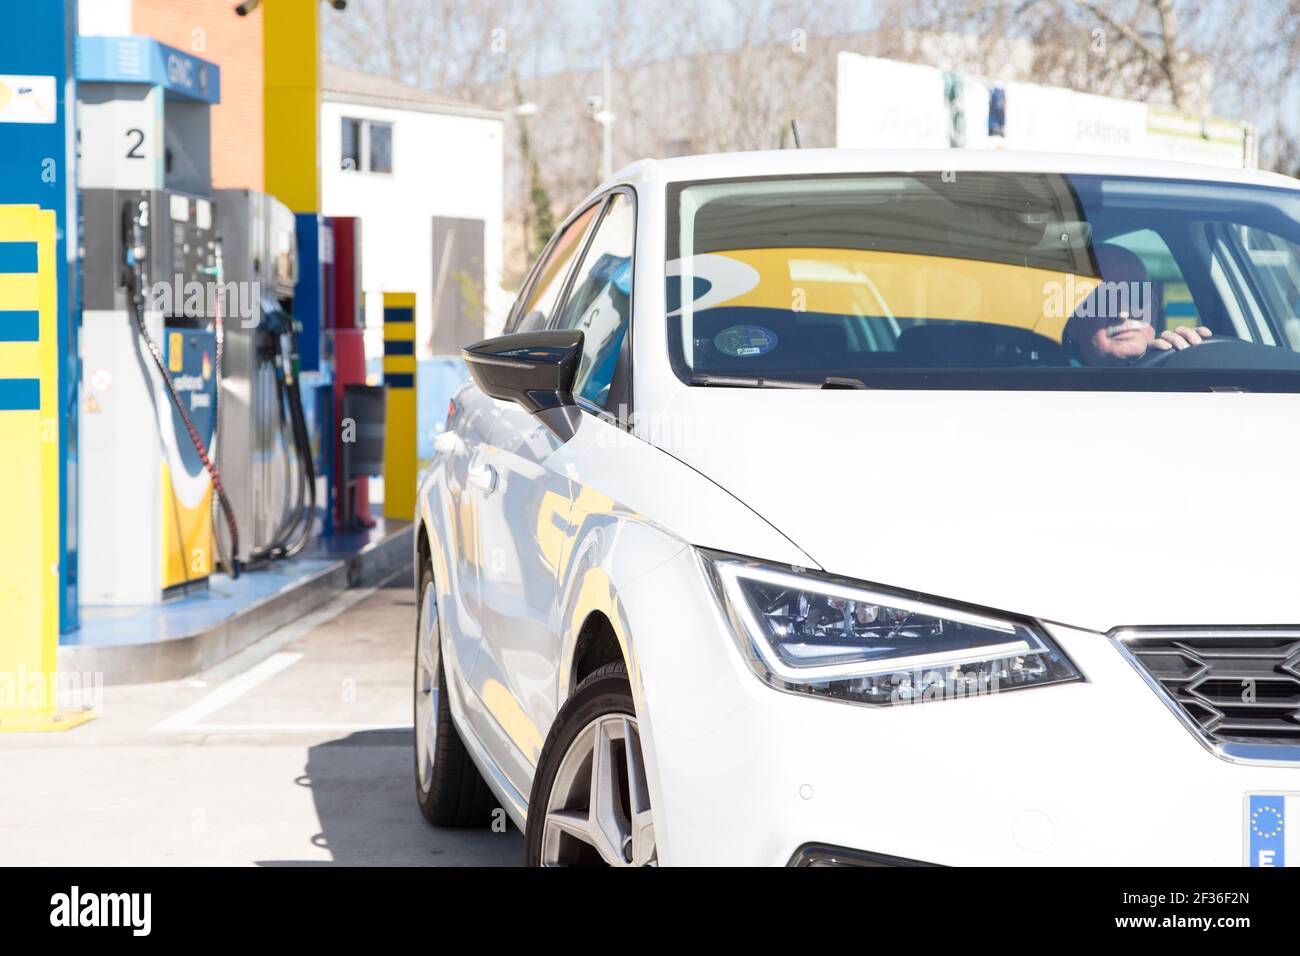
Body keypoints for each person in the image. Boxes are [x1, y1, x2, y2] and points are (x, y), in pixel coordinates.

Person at [1065, 244, 1212, 366]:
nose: (1122, 313)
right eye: (1101, 299)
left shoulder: (1184, 365)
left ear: (1154, 303)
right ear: (1072, 322)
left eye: (1136, 294)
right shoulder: (1050, 391)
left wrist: (1194, 360)